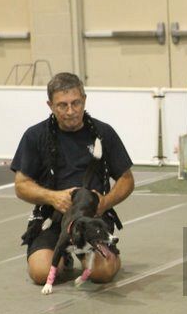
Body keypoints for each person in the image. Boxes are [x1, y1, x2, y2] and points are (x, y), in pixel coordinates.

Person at [11, 72, 135, 286]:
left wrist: (105, 202)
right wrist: (52, 197)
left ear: (84, 100)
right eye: (62, 105)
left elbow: (126, 179)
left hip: (93, 218)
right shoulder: (34, 136)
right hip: (53, 217)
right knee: (41, 273)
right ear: (50, 105)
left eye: (76, 103)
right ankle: (65, 255)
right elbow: (21, 185)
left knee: (102, 274)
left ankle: (108, 257)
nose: (71, 111)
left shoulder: (104, 133)